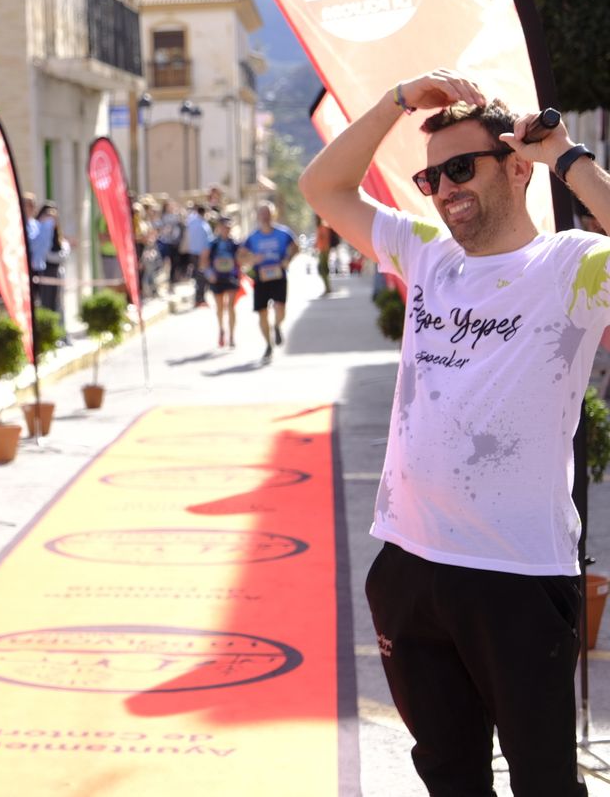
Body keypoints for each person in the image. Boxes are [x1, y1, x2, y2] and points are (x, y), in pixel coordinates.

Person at [299, 67, 610, 796]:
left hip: (518, 575)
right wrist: (396, 100)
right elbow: (324, 189)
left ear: (516, 166)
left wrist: (567, 155)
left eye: (461, 167)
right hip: (409, 563)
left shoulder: (571, 264)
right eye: (431, 177)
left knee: (543, 782)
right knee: (448, 774)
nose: (443, 189)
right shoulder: (428, 255)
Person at [238, 201, 298, 362]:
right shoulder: (252, 237)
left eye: (268, 214)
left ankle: (277, 326)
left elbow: (295, 246)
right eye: (262, 214)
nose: (265, 217)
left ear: (273, 215)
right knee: (262, 313)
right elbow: (241, 256)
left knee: (280, 309)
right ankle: (268, 345)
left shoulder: (283, 233)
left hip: (279, 276)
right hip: (261, 277)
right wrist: (252, 259)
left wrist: (287, 259)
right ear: (258, 216)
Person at [201, 214, 241, 349]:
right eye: (224, 227)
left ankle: (232, 336)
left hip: (231, 277)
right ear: (219, 228)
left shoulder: (234, 243)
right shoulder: (213, 243)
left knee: (231, 306)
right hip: (217, 278)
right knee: (220, 308)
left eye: (228, 227)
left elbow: (241, 259)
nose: (226, 229)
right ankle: (221, 329)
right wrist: (209, 274)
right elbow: (204, 260)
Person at [184, 203, 211, 307]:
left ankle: (198, 299)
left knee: (197, 277)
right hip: (202, 254)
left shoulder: (191, 222)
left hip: (192, 253)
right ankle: (200, 299)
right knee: (202, 277)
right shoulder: (204, 225)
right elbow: (209, 241)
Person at [314, 215, 336, 296]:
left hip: (324, 251)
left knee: (322, 269)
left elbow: (325, 239)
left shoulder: (323, 227)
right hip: (322, 250)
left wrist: (324, 250)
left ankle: (328, 287)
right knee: (322, 269)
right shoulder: (320, 227)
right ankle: (327, 287)